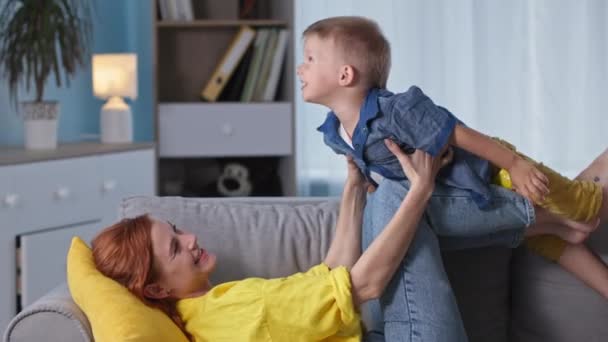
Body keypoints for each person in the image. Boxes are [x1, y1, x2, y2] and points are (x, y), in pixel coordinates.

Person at [296, 15, 608, 340]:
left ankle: (558, 218)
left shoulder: (396, 111)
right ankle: (555, 226)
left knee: (586, 204)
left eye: (310, 59)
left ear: (345, 74)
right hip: (450, 197)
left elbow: (456, 134)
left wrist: (514, 164)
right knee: (550, 238)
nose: (300, 68)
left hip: (487, 174)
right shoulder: (335, 134)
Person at [92, 140, 452, 341]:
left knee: (385, 201)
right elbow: (365, 285)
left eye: (177, 230)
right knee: (396, 194)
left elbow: (331, 276)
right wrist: (421, 189)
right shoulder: (242, 311)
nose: (190, 239)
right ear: (155, 290)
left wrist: (353, 189)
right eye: (175, 247)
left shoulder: (207, 315)